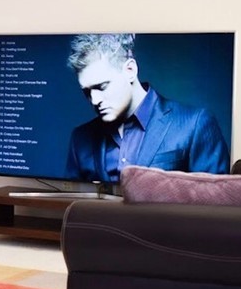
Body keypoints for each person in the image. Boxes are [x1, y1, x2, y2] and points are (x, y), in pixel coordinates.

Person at [65, 33, 229, 183]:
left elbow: (214, 205)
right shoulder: (80, 139)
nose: (94, 100)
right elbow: (72, 203)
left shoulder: (195, 124)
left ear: (130, 70)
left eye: (102, 86)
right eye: (87, 91)